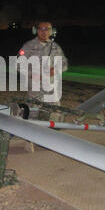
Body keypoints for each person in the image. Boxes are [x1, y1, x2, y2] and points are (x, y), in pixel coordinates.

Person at [17, 21, 68, 152]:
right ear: (36, 30)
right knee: (32, 114)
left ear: (52, 31)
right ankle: (30, 141)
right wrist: (32, 74)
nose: (44, 32)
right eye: (41, 29)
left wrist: (54, 71)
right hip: (35, 88)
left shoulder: (56, 47)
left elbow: (64, 64)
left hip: (51, 89)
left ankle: (50, 140)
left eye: (47, 29)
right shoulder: (28, 46)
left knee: (54, 114)